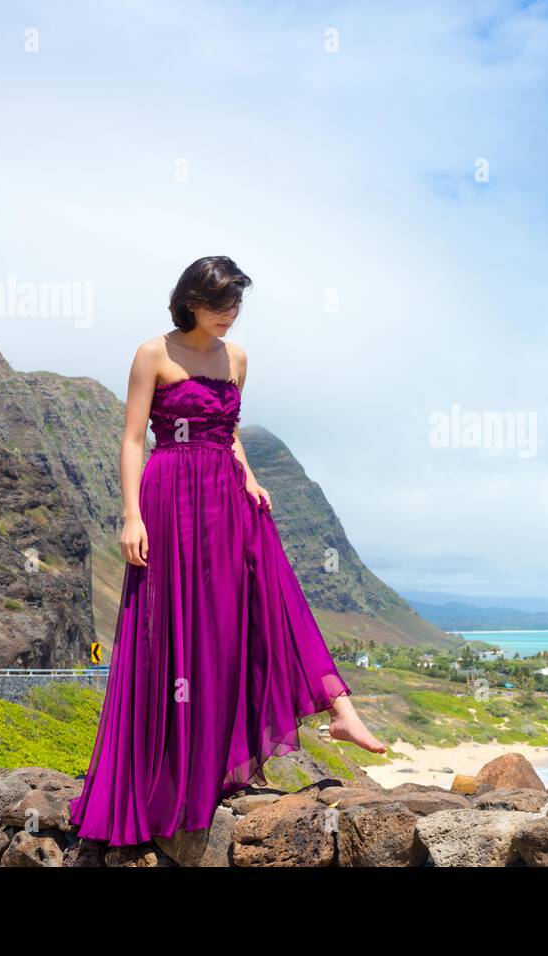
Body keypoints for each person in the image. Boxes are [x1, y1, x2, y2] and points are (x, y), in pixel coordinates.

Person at [67, 255, 385, 847]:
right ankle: (174, 777)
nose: (230, 317)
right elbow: (134, 438)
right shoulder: (153, 353)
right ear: (191, 300)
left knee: (262, 605)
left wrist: (250, 475)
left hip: (226, 494)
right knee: (172, 635)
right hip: (169, 498)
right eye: (220, 306)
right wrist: (131, 515)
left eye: (237, 305)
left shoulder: (236, 359)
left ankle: (337, 707)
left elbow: (228, 430)